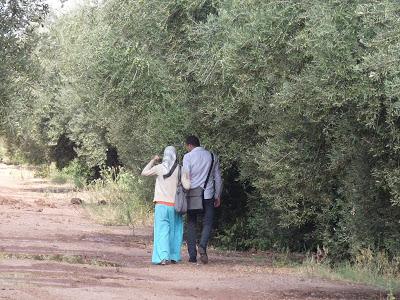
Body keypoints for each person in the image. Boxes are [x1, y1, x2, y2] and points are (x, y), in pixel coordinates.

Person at [141, 146, 190, 265]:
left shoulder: (159, 168)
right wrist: (186, 176)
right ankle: (174, 256)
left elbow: (144, 172)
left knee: (162, 231)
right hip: (175, 206)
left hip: (161, 205)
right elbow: (188, 186)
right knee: (175, 231)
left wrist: (153, 160)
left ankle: (163, 257)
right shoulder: (181, 169)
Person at [183, 136, 222, 264]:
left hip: (193, 194)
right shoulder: (212, 156)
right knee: (208, 222)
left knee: (191, 223)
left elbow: (186, 176)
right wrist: (218, 195)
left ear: (189, 145)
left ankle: (192, 256)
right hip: (208, 194)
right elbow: (218, 177)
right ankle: (203, 246)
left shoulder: (188, 157)